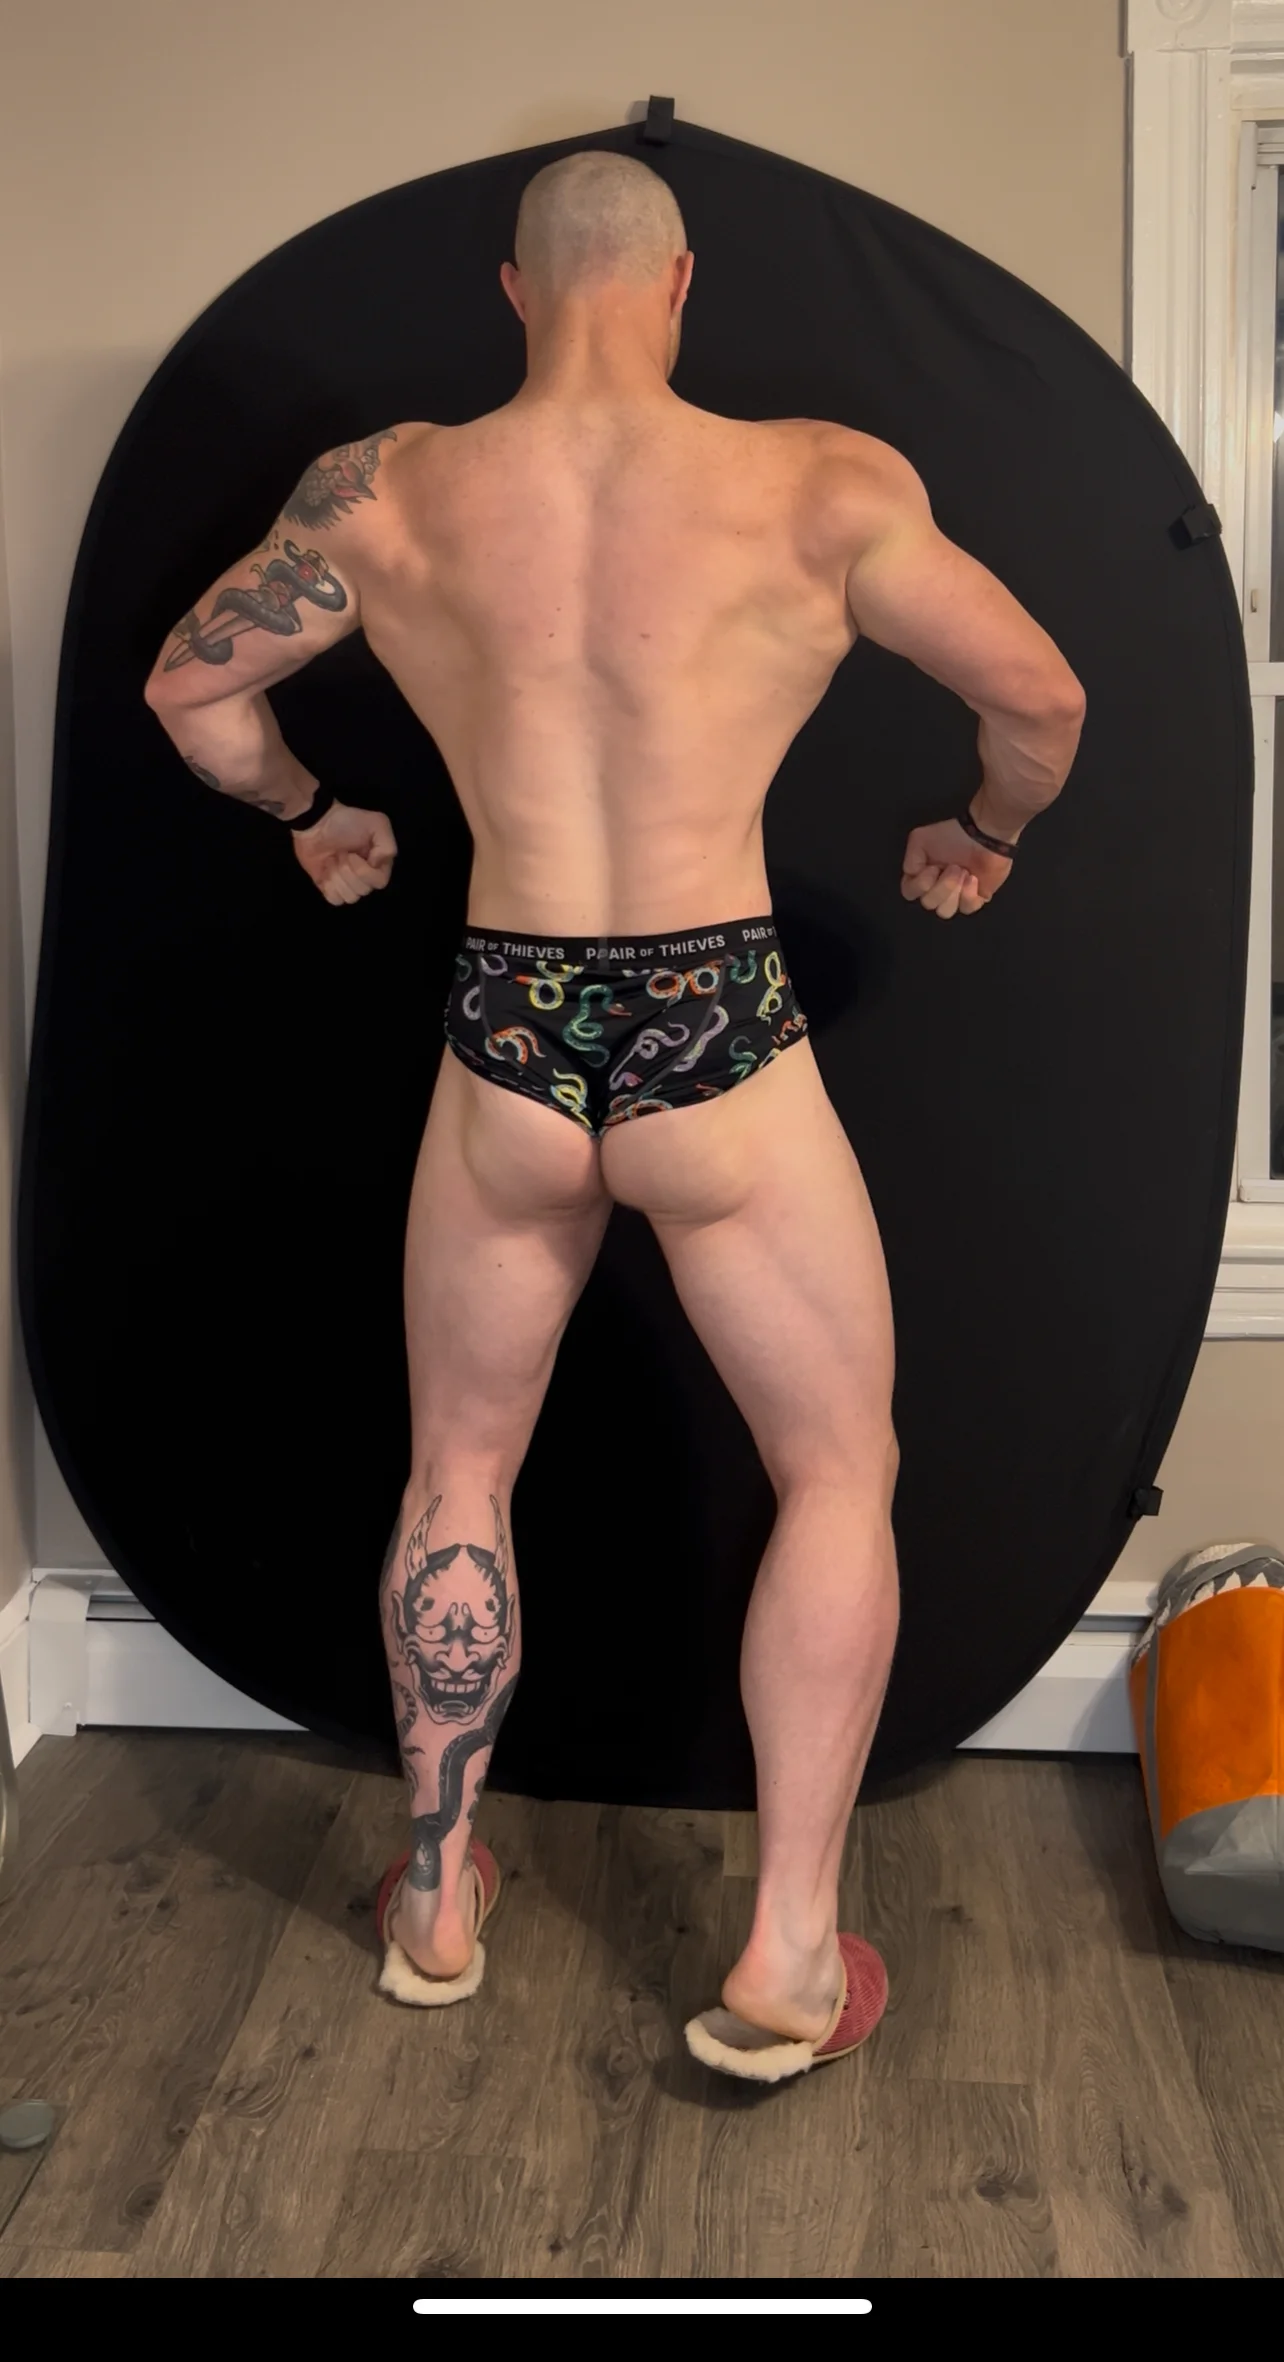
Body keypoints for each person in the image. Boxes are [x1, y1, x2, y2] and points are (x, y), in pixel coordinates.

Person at [145, 152, 1084, 2082]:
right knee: (838, 1471)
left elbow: (192, 694)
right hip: (712, 1014)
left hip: (511, 1014)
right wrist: (984, 827)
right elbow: (1044, 697)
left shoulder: (383, 491)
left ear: (514, 290)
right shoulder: (822, 483)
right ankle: (790, 1956)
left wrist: (312, 812)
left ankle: (433, 1899)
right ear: (677, 284)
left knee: (459, 1466)